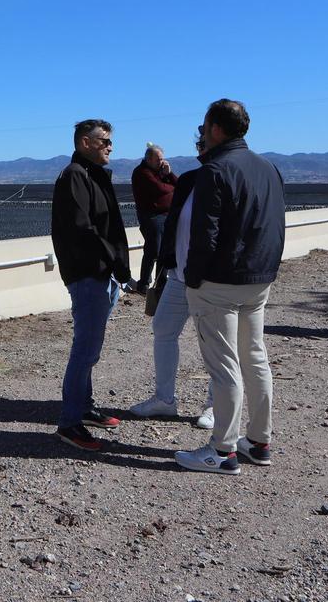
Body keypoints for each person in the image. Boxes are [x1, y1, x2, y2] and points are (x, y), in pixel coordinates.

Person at [174, 99, 286, 475]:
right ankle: (258, 441)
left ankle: (222, 452)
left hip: (218, 283)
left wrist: (192, 276)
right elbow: (275, 224)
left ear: (216, 129)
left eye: (205, 127)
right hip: (258, 279)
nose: (202, 133)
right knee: (255, 359)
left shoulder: (215, 170)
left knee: (225, 368)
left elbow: (206, 235)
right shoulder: (268, 167)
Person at [51, 119, 133, 451]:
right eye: (105, 141)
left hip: (104, 273)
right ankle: (69, 423)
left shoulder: (93, 175)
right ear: (86, 142)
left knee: (91, 349)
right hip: (88, 274)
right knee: (85, 350)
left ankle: (83, 407)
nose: (110, 146)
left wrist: (117, 268)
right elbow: (83, 229)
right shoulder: (75, 176)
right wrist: (114, 262)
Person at [129, 128, 215, 428]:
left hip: (211, 279)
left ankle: (214, 406)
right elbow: (169, 198)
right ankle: (164, 399)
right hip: (178, 274)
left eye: (203, 144)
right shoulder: (190, 179)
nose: (199, 148)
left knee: (215, 342)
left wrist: (169, 176)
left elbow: (170, 193)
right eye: (199, 144)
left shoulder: (225, 178)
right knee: (163, 328)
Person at [131, 144, 178, 292]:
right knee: (153, 250)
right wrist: (171, 188)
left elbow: (178, 184)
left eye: (162, 159)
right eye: (158, 160)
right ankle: (144, 283)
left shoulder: (161, 172)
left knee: (165, 250)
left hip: (166, 215)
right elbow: (160, 189)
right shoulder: (142, 173)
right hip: (151, 216)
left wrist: (169, 174)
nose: (161, 162)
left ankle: (161, 284)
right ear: (149, 159)